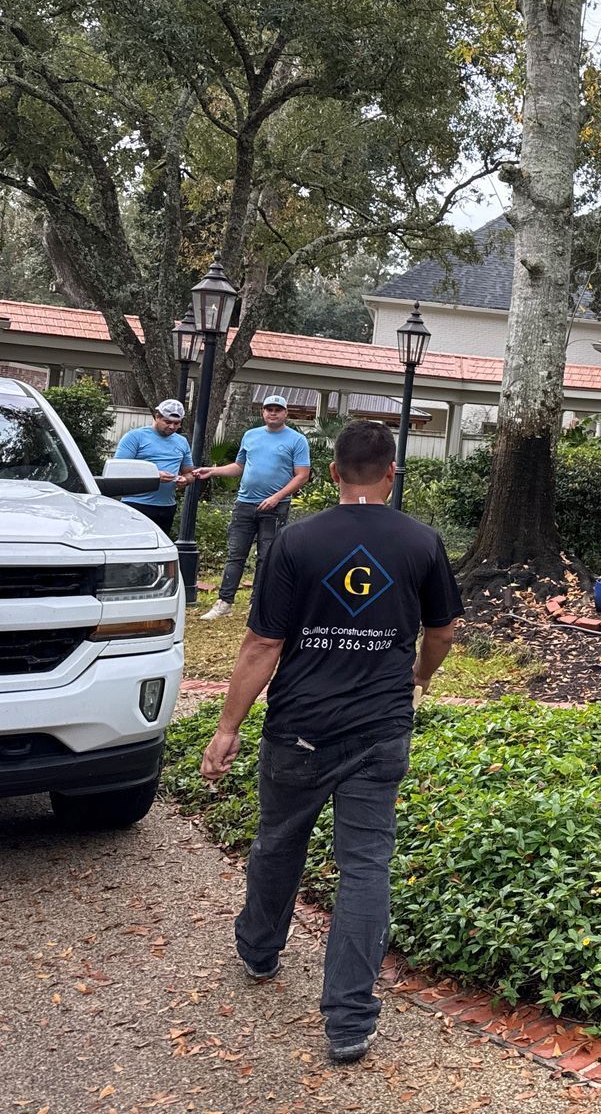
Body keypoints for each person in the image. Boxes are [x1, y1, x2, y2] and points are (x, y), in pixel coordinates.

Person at [199, 419, 462, 1065]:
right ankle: (349, 1021)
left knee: (279, 841)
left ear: (336, 473)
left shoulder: (296, 541)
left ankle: (260, 952)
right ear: (393, 472)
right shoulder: (422, 542)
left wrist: (227, 727)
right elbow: (445, 629)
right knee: (366, 868)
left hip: (299, 731)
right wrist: (420, 677)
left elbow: (263, 643)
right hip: (380, 731)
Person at [194, 393, 311, 619]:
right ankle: (224, 603)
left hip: (275, 508)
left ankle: (256, 605)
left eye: (278, 409)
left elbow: (302, 476)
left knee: (266, 557)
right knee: (235, 554)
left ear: (286, 413)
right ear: (263, 412)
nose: (273, 413)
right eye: (269, 409)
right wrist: (212, 471)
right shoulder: (250, 436)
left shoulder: (297, 440)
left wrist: (277, 497)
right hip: (244, 504)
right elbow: (239, 466)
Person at [112, 399, 197, 534]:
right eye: (167, 422)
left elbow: (189, 473)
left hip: (167, 506)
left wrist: (185, 480)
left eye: (176, 424)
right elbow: (118, 470)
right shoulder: (135, 437)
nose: (172, 427)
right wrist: (153, 476)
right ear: (157, 417)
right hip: (136, 504)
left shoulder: (182, 442)